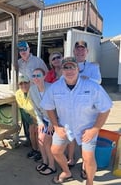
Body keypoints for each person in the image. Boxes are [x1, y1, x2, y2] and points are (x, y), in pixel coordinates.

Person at [40, 57, 112, 185]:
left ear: (78, 69)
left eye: (72, 66)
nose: (69, 70)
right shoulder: (55, 88)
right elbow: (48, 107)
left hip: (87, 128)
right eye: (66, 67)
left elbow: (105, 108)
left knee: (88, 157)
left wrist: (94, 129)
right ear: (61, 70)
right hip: (65, 127)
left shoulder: (92, 86)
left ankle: (89, 182)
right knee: (55, 150)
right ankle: (66, 172)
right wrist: (56, 126)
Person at [67, 40, 102, 172]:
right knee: (71, 134)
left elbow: (98, 80)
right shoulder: (69, 65)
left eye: (83, 49)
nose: (80, 51)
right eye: (78, 49)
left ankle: (84, 165)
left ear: (86, 52)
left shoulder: (93, 66)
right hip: (71, 106)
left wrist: (86, 78)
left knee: (84, 136)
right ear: (74, 52)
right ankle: (70, 159)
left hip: (87, 107)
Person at [17, 41, 48, 147]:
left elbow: (46, 75)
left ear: (29, 49)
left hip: (35, 93)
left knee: (37, 119)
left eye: (24, 49)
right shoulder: (18, 62)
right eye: (20, 50)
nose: (23, 52)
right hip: (23, 93)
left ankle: (41, 145)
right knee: (26, 119)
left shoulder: (38, 61)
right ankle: (29, 140)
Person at [29, 68, 56, 175]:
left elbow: (56, 108)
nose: (36, 78)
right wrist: (40, 122)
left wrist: (51, 123)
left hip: (54, 119)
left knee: (46, 142)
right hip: (43, 119)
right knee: (40, 139)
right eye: (34, 76)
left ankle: (52, 166)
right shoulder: (32, 90)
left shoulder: (51, 88)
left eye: (38, 75)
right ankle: (45, 162)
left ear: (44, 76)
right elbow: (35, 108)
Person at [15, 74, 41, 161]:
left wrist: (37, 121)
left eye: (25, 83)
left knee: (38, 133)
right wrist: (31, 121)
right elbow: (22, 109)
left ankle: (40, 151)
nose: (23, 85)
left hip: (39, 116)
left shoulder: (35, 91)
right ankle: (34, 150)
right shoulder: (18, 93)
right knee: (31, 132)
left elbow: (40, 107)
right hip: (30, 116)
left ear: (30, 83)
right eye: (21, 84)